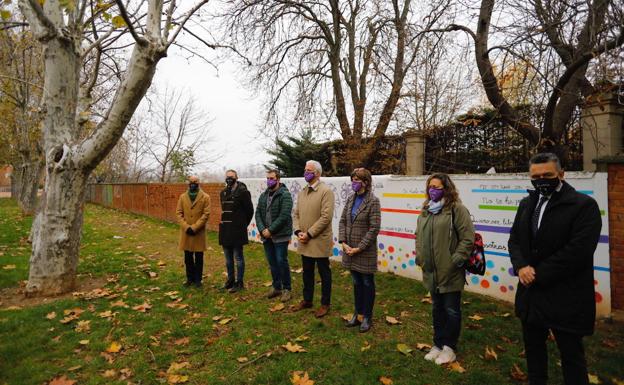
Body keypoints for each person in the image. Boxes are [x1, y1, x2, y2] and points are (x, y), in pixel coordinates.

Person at [508, 153, 602, 385]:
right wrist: (520, 266)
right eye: (536, 176)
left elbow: (578, 251)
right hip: (531, 295)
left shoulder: (583, 205)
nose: (541, 180)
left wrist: (536, 273)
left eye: (547, 175)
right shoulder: (527, 204)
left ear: (561, 174)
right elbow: (515, 241)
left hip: (566, 295)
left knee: (571, 356)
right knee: (534, 352)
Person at [416, 173, 475, 365]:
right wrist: (420, 257)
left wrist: (454, 261)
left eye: (437, 186)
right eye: (430, 186)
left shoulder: (457, 209)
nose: (432, 190)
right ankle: (438, 344)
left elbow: (467, 239)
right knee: (437, 308)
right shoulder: (426, 210)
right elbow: (419, 235)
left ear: (446, 188)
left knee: (451, 310)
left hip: (450, 271)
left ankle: (450, 347)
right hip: (431, 271)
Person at [338, 168, 381, 333]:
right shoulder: (350, 199)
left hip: (364, 251)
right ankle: (358, 313)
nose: (353, 183)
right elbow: (342, 221)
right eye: (352, 180)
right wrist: (343, 242)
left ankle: (367, 316)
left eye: (357, 180)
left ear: (366, 182)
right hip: (349, 250)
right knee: (356, 282)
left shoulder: (373, 201)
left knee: (367, 283)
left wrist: (359, 248)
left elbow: (374, 228)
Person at [292, 160, 335, 318]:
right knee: (307, 272)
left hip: (318, 240)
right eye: (305, 169)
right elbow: (296, 214)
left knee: (324, 273)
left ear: (317, 173)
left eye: (308, 170)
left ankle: (325, 304)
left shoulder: (326, 191)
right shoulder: (303, 192)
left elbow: (326, 217)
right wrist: (298, 231)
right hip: (304, 239)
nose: (305, 172)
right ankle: (307, 300)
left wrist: (309, 233)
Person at [255, 169, 294, 302]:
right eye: (267, 178)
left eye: (271, 178)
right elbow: (258, 213)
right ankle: (276, 286)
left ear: (278, 180)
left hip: (280, 235)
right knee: (272, 263)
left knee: (281, 261)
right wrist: (262, 229)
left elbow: (284, 215)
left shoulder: (285, 195)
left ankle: (287, 288)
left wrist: (270, 230)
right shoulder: (263, 195)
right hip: (266, 236)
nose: (269, 181)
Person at [219, 169, 254, 293]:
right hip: (225, 230)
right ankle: (230, 281)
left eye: (231, 177)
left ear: (236, 177)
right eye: (227, 177)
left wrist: (243, 224)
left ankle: (239, 283)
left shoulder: (243, 192)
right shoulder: (222, 193)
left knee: (238, 257)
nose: (229, 179)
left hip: (238, 230)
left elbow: (250, 211)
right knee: (228, 259)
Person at [175, 175, 211, 288]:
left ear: (199, 183)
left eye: (195, 181)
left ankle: (198, 280)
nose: (193, 183)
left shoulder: (205, 197)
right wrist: (186, 227)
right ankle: (189, 278)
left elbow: (206, 214)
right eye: (191, 182)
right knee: (188, 258)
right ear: (188, 183)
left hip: (198, 233)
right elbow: (178, 213)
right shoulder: (182, 197)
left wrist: (195, 227)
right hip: (186, 232)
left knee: (199, 258)